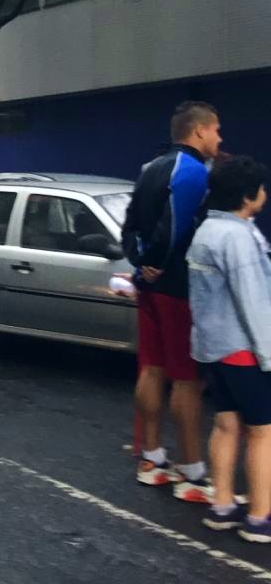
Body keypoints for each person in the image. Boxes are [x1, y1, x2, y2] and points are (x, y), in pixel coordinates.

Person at [122, 100, 222, 502]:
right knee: (186, 379)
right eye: (216, 130)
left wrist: (141, 264)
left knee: (151, 368)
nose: (219, 138)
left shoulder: (149, 168)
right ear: (198, 131)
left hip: (149, 287)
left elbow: (129, 225)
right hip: (178, 285)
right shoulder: (193, 170)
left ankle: (151, 458)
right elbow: (177, 224)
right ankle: (193, 473)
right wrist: (158, 264)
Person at [187, 156, 271, 542]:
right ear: (247, 195)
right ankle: (259, 517)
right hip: (244, 349)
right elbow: (253, 301)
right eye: (262, 189)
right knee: (262, 433)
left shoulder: (207, 230)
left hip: (212, 347)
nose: (265, 195)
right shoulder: (238, 237)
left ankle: (221, 506)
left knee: (226, 424)